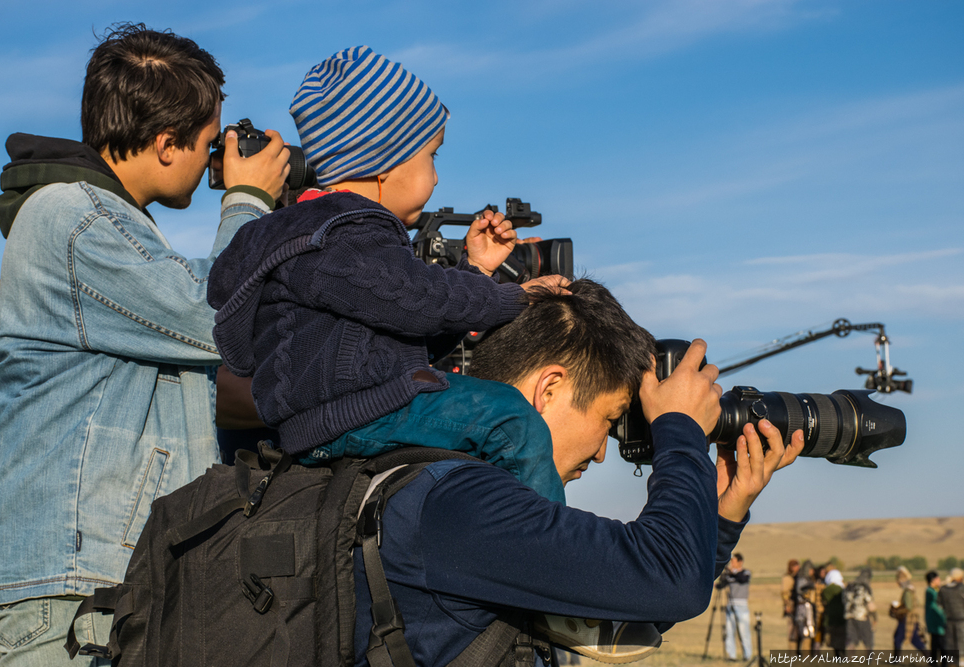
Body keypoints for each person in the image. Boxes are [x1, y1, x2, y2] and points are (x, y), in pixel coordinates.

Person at [0, 23, 290, 666]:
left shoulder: (108, 227)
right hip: (70, 593)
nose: (213, 163)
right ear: (167, 144)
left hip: (92, 584)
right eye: (205, 144)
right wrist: (249, 200)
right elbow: (215, 313)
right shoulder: (71, 216)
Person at [321, 279, 804, 665]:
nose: (600, 454)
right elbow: (666, 580)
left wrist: (719, 516)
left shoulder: (458, 497)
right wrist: (679, 431)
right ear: (548, 389)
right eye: (608, 419)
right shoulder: (456, 504)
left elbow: (629, 620)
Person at [207, 45, 568, 505]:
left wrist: (475, 269)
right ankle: (550, 555)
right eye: (431, 156)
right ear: (383, 160)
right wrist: (515, 298)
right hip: (358, 416)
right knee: (512, 421)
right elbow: (424, 300)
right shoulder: (349, 229)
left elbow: (406, 327)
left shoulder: (315, 232)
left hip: (326, 420)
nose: (436, 178)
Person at [717, 553, 754, 661]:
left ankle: (747, 655)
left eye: (733, 561)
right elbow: (721, 585)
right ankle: (731, 655)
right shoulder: (730, 575)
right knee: (729, 631)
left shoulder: (745, 572)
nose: (732, 563)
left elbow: (742, 579)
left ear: (740, 562)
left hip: (741, 605)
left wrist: (732, 572)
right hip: (730, 604)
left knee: (743, 631)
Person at [893, 566, 927, 656]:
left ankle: (895, 660)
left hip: (907, 620)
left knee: (900, 639)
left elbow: (908, 607)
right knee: (911, 639)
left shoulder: (908, 591)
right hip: (912, 619)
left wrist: (897, 611)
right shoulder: (911, 589)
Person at [844, 568, 876, 650]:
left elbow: (844, 601)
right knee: (868, 641)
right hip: (862, 617)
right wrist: (875, 618)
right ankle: (868, 661)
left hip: (849, 617)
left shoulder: (849, 587)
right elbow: (870, 605)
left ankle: (850, 660)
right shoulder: (865, 588)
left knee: (852, 641)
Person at [821, 568, 846, 657]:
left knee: (834, 637)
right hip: (842, 616)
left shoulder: (826, 590)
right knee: (842, 636)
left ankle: (837, 655)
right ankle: (843, 654)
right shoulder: (842, 589)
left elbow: (824, 601)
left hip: (830, 617)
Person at [938, 567, 964, 652]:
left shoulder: (943, 589)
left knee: (950, 645)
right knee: (961, 645)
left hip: (948, 620)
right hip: (961, 620)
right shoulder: (961, 588)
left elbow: (939, 604)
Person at [925, 570, 947, 663]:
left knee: (935, 644)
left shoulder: (934, 590)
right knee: (941, 645)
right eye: (938, 579)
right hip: (936, 622)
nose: (940, 580)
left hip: (935, 622)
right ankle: (940, 663)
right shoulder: (930, 591)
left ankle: (934, 662)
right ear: (933, 580)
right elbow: (938, 599)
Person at [782, 559, 800, 651]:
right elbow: (785, 593)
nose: (798, 567)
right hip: (791, 605)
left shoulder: (798, 577)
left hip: (799, 606)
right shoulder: (787, 578)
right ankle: (792, 651)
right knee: (792, 630)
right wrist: (787, 606)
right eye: (795, 565)